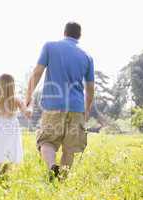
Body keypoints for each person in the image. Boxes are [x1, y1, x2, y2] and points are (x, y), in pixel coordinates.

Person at [25, 22, 95, 181]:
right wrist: (87, 109)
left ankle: (51, 167)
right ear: (79, 36)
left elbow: (37, 72)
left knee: (47, 141)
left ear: (64, 32)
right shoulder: (87, 56)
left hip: (53, 105)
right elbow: (90, 88)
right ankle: (61, 181)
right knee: (70, 148)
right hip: (77, 108)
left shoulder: (50, 47)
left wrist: (28, 96)